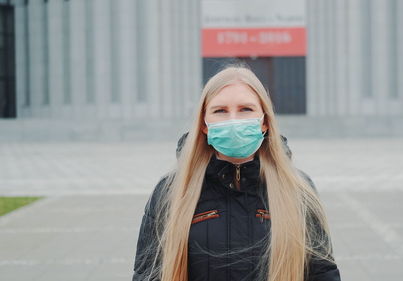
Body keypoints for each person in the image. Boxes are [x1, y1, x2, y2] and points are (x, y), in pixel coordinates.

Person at [132, 65, 341, 281]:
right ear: (204, 124)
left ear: (265, 122)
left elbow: (322, 272)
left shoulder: (298, 189)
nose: (233, 120)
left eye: (246, 109)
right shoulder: (172, 190)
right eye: (220, 111)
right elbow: (147, 274)